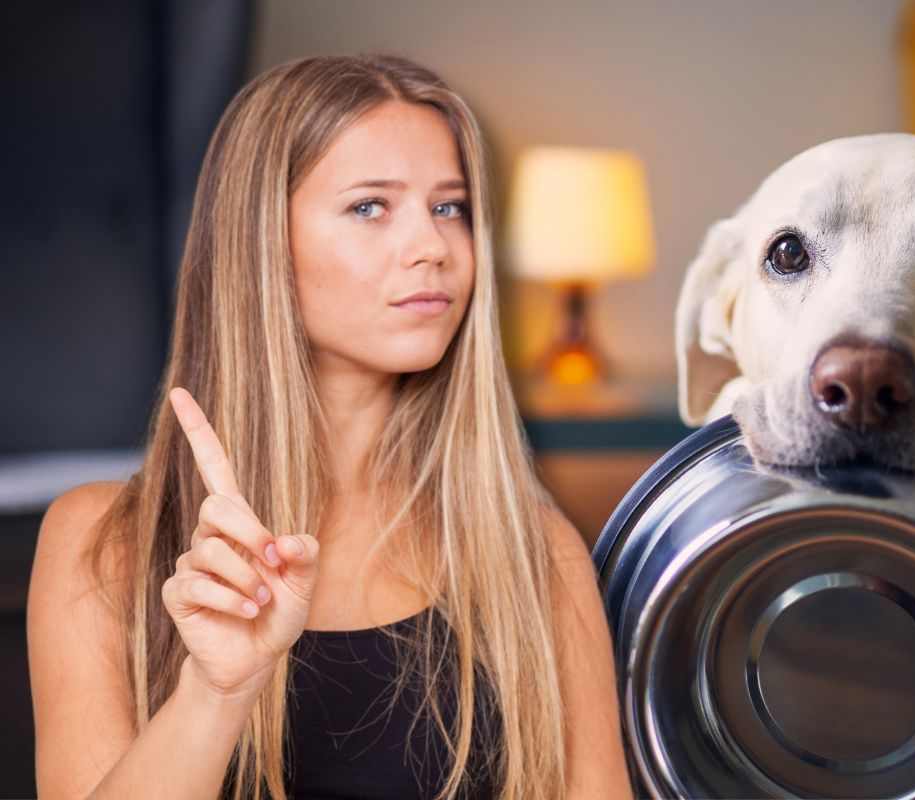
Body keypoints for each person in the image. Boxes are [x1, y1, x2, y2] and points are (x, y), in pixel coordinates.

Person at [26, 53, 633, 800]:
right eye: (370, 207)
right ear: (262, 243)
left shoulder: (535, 554)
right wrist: (215, 695)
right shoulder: (102, 544)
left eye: (450, 207)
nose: (433, 249)